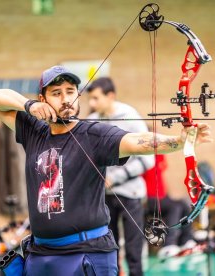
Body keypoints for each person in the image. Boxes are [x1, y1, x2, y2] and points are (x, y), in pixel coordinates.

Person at [0, 65, 212, 275]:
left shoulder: (94, 135)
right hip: (42, 254)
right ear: (43, 99)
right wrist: (29, 106)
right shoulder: (34, 132)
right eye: (56, 93)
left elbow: (138, 141)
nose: (66, 99)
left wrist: (180, 141)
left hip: (87, 253)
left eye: (70, 91)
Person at [86, 77, 154, 276]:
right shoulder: (92, 120)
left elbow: (148, 159)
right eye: (91, 99)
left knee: (133, 247)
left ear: (111, 96)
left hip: (131, 192)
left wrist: (117, 177)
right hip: (104, 195)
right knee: (109, 245)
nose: (92, 103)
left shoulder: (130, 116)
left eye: (96, 98)